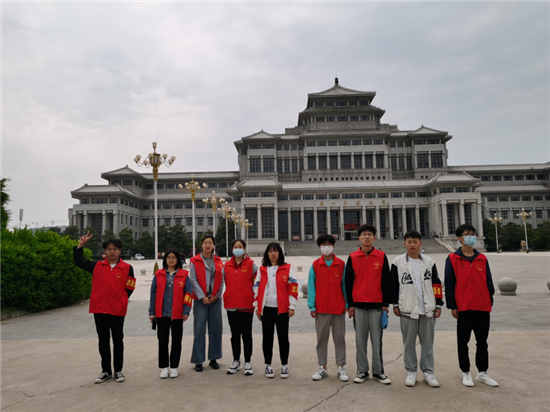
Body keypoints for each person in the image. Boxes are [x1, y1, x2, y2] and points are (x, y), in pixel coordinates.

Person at [73, 232, 135, 384]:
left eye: (115, 249)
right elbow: (79, 261)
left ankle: (118, 370)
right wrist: (80, 246)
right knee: (103, 341)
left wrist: (121, 300)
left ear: (120, 251)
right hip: (99, 309)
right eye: (109, 249)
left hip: (117, 310)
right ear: (105, 251)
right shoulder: (97, 266)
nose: (112, 252)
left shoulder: (127, 268)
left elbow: (130, 287)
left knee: (118, 340)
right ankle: (106, 371)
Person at [445, 224, 498, 387]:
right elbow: (449, 284)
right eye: (467, 234)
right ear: (460, 238)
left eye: (473, 234)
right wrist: (453, 306)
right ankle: (466, 372)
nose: (471, 237)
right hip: (464, 307)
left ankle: (482, 372)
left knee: (482, 341)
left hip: (482, 306)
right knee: (463, 342)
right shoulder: (452, 259)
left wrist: (489, 300)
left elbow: (488, 282)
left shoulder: (482, 258)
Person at [391, 230, 443, 388]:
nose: (412, 245)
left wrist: (438, 303)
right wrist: (395, 303)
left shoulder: (429, 262)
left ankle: (428, 371)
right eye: (409, 242)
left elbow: (436, 283)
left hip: (428, 309)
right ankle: (411, 371)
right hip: (407, 309)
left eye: (415, 242)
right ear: (404, 244)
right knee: (408, 343)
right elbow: (393, 285)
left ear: (420, 243)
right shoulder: (398, 262)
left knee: (427, 343)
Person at [345, 224, 391, 385]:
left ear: (374, 238)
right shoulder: (352, 257)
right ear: (359, 238)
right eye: (364, 234)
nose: (367, 237)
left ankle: (378, 372)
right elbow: (348, 283)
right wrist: (350, 304)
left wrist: (385, 303)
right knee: (360, 340)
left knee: (377, 340)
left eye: (370, 234)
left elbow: (386, 281)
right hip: (358, 305)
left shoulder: (381, 256)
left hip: (376, 305)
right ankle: (362, 371)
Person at [254, 242, 298, 379]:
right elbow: (256, 288)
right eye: (270, 251)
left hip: (282, 310)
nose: (273, 254)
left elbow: (293, 287)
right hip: (266, 309)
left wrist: (292, 306)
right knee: (267, 338)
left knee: (283, 338)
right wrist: (257, 307)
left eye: (276, 251)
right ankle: (268, 365)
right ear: (267, 254)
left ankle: (284, 365)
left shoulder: (287, 268)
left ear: (280, 253)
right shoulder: (262, 270)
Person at [308, 234, 349, 382]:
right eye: (323, 245)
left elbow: (345, 286)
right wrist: (312, 305)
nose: (326, 247)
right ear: (319, 247)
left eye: (329, 244)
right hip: (321, 308)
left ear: (333, 246)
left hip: (338, 308)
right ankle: (322, 367)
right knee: (321, 339)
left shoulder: (341, 264)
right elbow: (311, 286)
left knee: (339, 338)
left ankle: (340, 367)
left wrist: (347, 304)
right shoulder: (315, 265)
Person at [149, 248, 193, 379]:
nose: (171, 260)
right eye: (169, 257)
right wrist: (152, 312)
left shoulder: (184, 275)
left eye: (174, 257)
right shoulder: (159, 274)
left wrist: (186, 311)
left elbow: (188, 294)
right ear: (165, 260)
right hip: (161, 313)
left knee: (176, 341)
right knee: (162, 341)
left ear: (178, 260)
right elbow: (153, 294)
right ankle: (164, 367)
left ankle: (174, 367)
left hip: (177, 314)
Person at [223, 239, 258, 375]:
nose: (238, 249)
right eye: (235, 247)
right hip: (231, 305)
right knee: (235, 334)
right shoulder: (227, 266)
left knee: (247, 334)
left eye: (240, 247)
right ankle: (236, 361)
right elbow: (224, 282)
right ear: (232, 249)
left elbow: (257, 284)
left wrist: (255, 300)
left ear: (244, 249)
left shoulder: (251, 265)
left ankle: (247, 362)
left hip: (246, 305)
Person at [189, 235, 224, 372]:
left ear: (214, 245)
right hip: (200, 299)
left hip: (215, 298)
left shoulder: (218, 261)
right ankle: (198, 360)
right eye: (205, 243)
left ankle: (214, 358)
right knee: (199, 329)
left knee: (216, 329)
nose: (208, 245)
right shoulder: (195, 261)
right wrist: (202, 296)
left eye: (210, 243)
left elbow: (221, 280)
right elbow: (193, 280)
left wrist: (216, 295)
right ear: (201, 245)